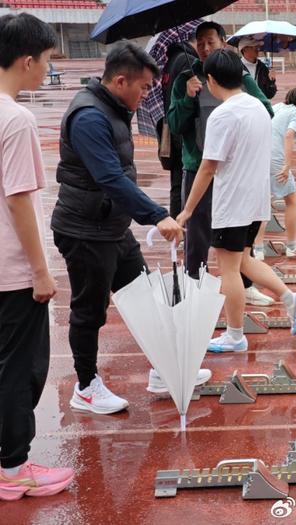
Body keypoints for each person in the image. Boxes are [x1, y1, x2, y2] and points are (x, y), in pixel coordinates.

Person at [50, 42, 197, 415]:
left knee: (146, 299)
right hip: (85, 230)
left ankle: (163, 370)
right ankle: (85, 386)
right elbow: (110, 177)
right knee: (89, 311)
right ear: (120, 80)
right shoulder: (89, 117)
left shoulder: (113, 108)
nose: (147, 95)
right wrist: (156, 214)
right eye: (145, 87)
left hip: (111, 227)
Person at [176, 49, 296, 352]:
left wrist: (187, 210)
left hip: (233, 202)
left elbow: (208, 166)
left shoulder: (223, 115)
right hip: (255, 201)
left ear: (210, 79)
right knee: (244, 260)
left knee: (229, 269)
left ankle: (235, 334)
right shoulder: (258, 108)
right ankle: (291, 298)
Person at [0, 13, 75, 500]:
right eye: (47, 62)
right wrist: (41, 271)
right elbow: (19, 199)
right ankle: (13, 469)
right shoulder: (17, 119)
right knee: (19, 368)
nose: (46, 71)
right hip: (11, 270)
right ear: (27, 60)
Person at [167, 21, 275, 306]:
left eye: (210, 41)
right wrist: (189, 98)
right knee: (197, 235)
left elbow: (265, 110)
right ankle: (193, 289)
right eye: (199, 42)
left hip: (235, 171)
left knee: (238, 235)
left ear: (223, 42)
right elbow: (175, 125)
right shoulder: (185, 79)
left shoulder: (238, 77)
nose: (204, 48)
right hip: (198, 164)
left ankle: (246, 285)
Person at [252, 85, 296, 261]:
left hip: (261, 156)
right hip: (276, 160)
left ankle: (258, 249)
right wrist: (287, 165)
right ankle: (292, 246)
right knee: (291, 200)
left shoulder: (278, 107)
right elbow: (289, 136)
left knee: (262, 203)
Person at [158, 25, 199, 217]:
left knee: (176, 181)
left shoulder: (171, 60)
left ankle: (176, 223)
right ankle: (181, 225)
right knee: (184, 180)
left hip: (170, 124)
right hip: (182, 128)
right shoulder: (187, 61)